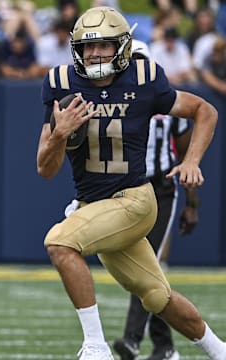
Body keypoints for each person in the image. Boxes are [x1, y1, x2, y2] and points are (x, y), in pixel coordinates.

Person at [36, 6, 224, 360]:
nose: (93, 54)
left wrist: (192, 160)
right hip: (96, 206)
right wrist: (58, 135)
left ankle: (95, 346)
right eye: (87, 47)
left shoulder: (145, 78)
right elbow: (45, 169)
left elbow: (205, 111)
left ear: (122, 46)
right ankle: (220, 351)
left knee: (60, 243)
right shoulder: (61, 83)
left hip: (135, 201)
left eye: (103, 46)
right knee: (157, 296)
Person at [112, 39, 199, 360]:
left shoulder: (164, 99)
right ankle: (164, 345)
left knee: (146, 261)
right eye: (130, 61)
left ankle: (132, 339)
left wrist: (192, 202)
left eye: (140, 61)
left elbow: (187, 152)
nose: (135, 67)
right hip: (127, 188)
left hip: (161, 188)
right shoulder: (113, 100)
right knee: (142, 267)